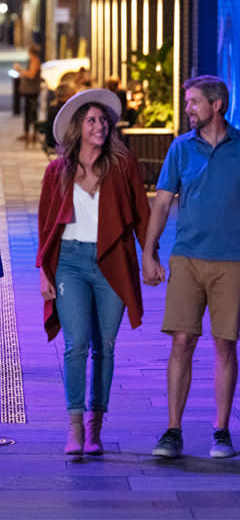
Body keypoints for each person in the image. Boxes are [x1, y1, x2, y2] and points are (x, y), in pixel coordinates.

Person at [37, 89, 150, 455]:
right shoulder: (58, 171)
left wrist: (150, 255)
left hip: (112, 261)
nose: (100, 126)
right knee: (76, 345)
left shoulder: (123, 166)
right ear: (78, 128)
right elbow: (45, 225)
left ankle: (95, 426)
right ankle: (74, 427)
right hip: (69, 262)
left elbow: (142, 216)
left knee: (105, 347)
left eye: (104, 120)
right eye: (92, 120)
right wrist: (44, 272)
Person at [142, 75, 240, 459]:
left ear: (216, 105)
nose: (187, 109)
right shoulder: (181, 149)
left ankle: (220, 431)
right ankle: (172, 430)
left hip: (232, 260)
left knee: (225, 345)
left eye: (193, 102)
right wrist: (149, 252)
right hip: (186, 257)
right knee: (181, 341)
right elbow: (163, 202)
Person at [14, 43, 42, 145]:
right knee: (28, 112)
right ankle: (27, 132)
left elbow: (31, 74)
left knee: (31, 113)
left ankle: (33, 133)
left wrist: (20, 69)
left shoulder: (35, 61)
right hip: (29, 90)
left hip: (32, 91)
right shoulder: (32, 61)